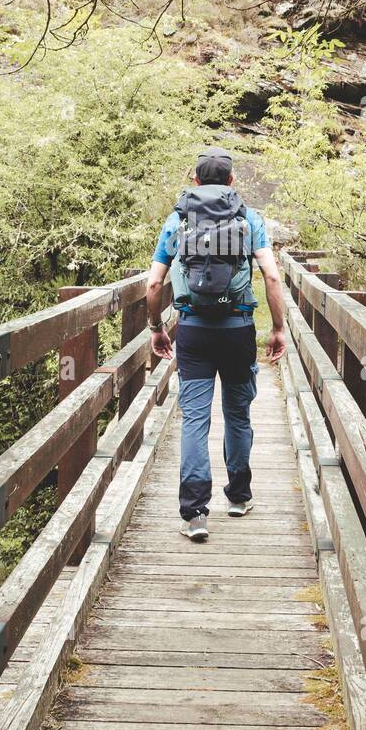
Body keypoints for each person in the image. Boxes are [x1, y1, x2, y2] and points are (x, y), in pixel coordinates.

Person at [146, 147, 286, 542]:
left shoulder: (177, 220)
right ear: (231, 181)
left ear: (194, 181)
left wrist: (157, 326)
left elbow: (154, 283)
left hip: (192, 330)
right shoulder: (249, 218)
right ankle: (239, 496)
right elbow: (273, 279)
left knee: (194, 419)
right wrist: (278, 328)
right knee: (238, 414)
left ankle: (194, 514)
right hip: (239, 328)